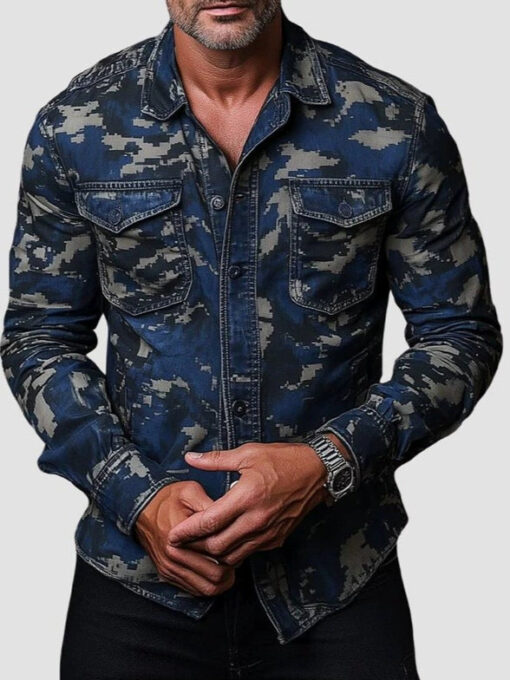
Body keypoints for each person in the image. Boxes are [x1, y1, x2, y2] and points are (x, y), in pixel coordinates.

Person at [1, 1, 502, 679]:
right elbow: (39, 336)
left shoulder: (395, 123)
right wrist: (133, 496)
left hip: (337, 586)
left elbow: (459, 333)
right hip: (136, 588)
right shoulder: (75, 127)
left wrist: (329, 462)